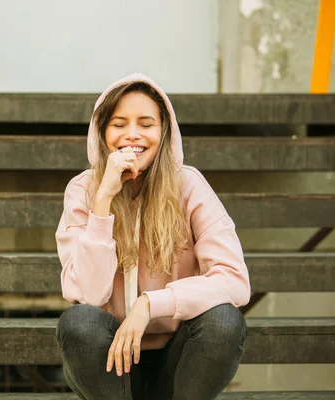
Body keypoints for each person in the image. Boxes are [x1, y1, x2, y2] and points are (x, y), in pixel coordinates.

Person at [55, 73, 251, 400]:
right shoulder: (83, 191)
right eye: (119, 124)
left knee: (224, 321)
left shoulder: (188, 185)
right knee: (79, 323)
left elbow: (234, 280)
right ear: (102, 133)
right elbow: (90, 293)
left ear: (163, 133)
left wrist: (150, 305)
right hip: (110, 362)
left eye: (146, 124)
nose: (132, 135)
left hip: (178, 359)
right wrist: (103, 200)